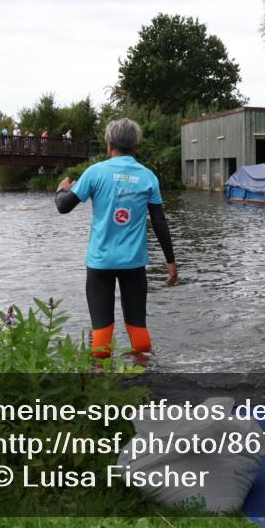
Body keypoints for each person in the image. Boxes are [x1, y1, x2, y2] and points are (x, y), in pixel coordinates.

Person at [55, 118, 178, 358]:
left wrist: (62, 189)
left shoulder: (95, 172)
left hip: (100, 262)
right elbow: (160, 222)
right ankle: (144, 377)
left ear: (110, 143)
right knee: (137, 325)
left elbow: (63, 207)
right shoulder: (148, 177)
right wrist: (170, 261)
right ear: (135, 145)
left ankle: (102, 382)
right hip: (133, 263)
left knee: (101, 329)